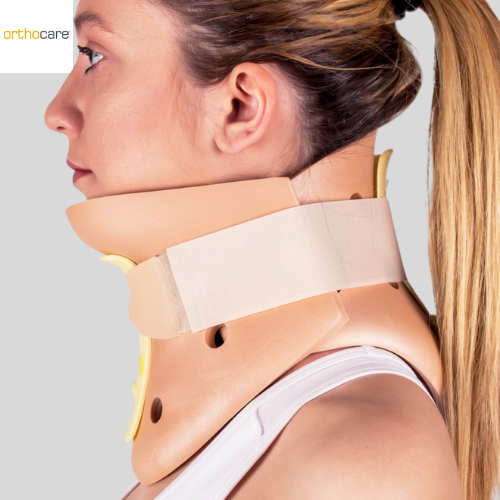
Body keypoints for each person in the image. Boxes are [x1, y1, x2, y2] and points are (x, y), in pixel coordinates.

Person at [44, 0, 500, 499]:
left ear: (241, 107)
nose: (56, 113)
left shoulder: (360, 465)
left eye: (94, 55)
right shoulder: (289, 438)